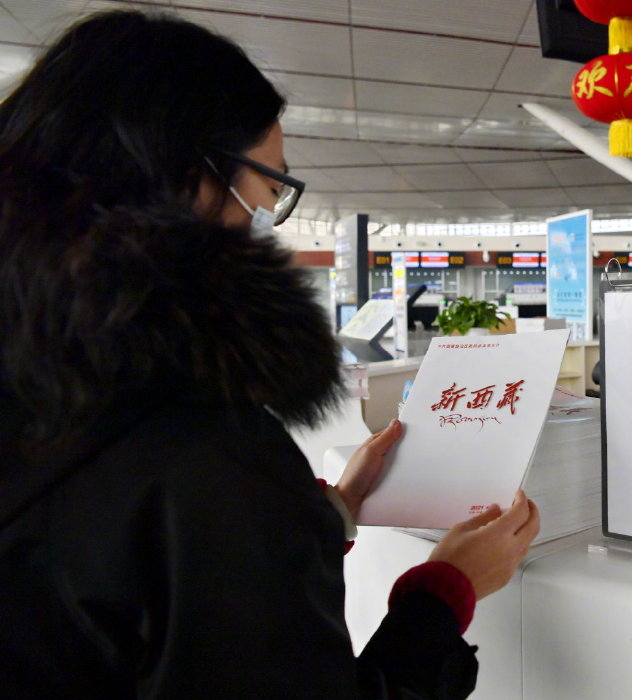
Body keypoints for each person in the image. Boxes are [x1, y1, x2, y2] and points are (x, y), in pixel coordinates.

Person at [0, 10, 539, 698]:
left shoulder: (53, 387)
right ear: (193, 178)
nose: (269, 217)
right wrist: (442, 594)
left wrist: (323, 515)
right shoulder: (205, 444)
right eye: (271, 184)